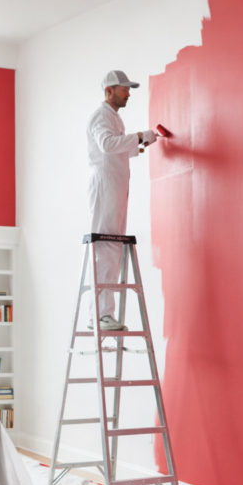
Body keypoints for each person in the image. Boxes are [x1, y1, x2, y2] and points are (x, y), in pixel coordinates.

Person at [86, 70, 158, 330]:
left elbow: (116, 149)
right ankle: (100, 314)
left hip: (115, 187)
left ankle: (103, 313)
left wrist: (140, 145)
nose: (128, 94)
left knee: (113, 246)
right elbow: (106, 145)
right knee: (106, 245)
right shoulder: (102, 116)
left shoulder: (114, 117)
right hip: (106, 187)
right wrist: (139, 136)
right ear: (109, 90)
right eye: (124, 89)